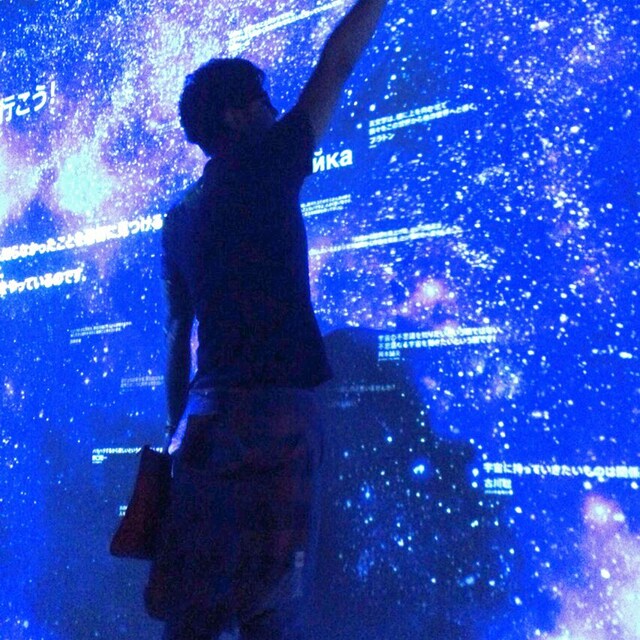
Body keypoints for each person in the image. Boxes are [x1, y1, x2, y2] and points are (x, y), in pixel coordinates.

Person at [155, 1, 389, 638]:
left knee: (193, 611)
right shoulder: (266, 163)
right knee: (271, 611)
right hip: (276, 421)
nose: (274, 109)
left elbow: (177, 336)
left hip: (205, 423)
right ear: (235, 115)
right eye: (262, 99)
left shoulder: (178, 218)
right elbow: (336, 64)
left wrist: (177, 435)